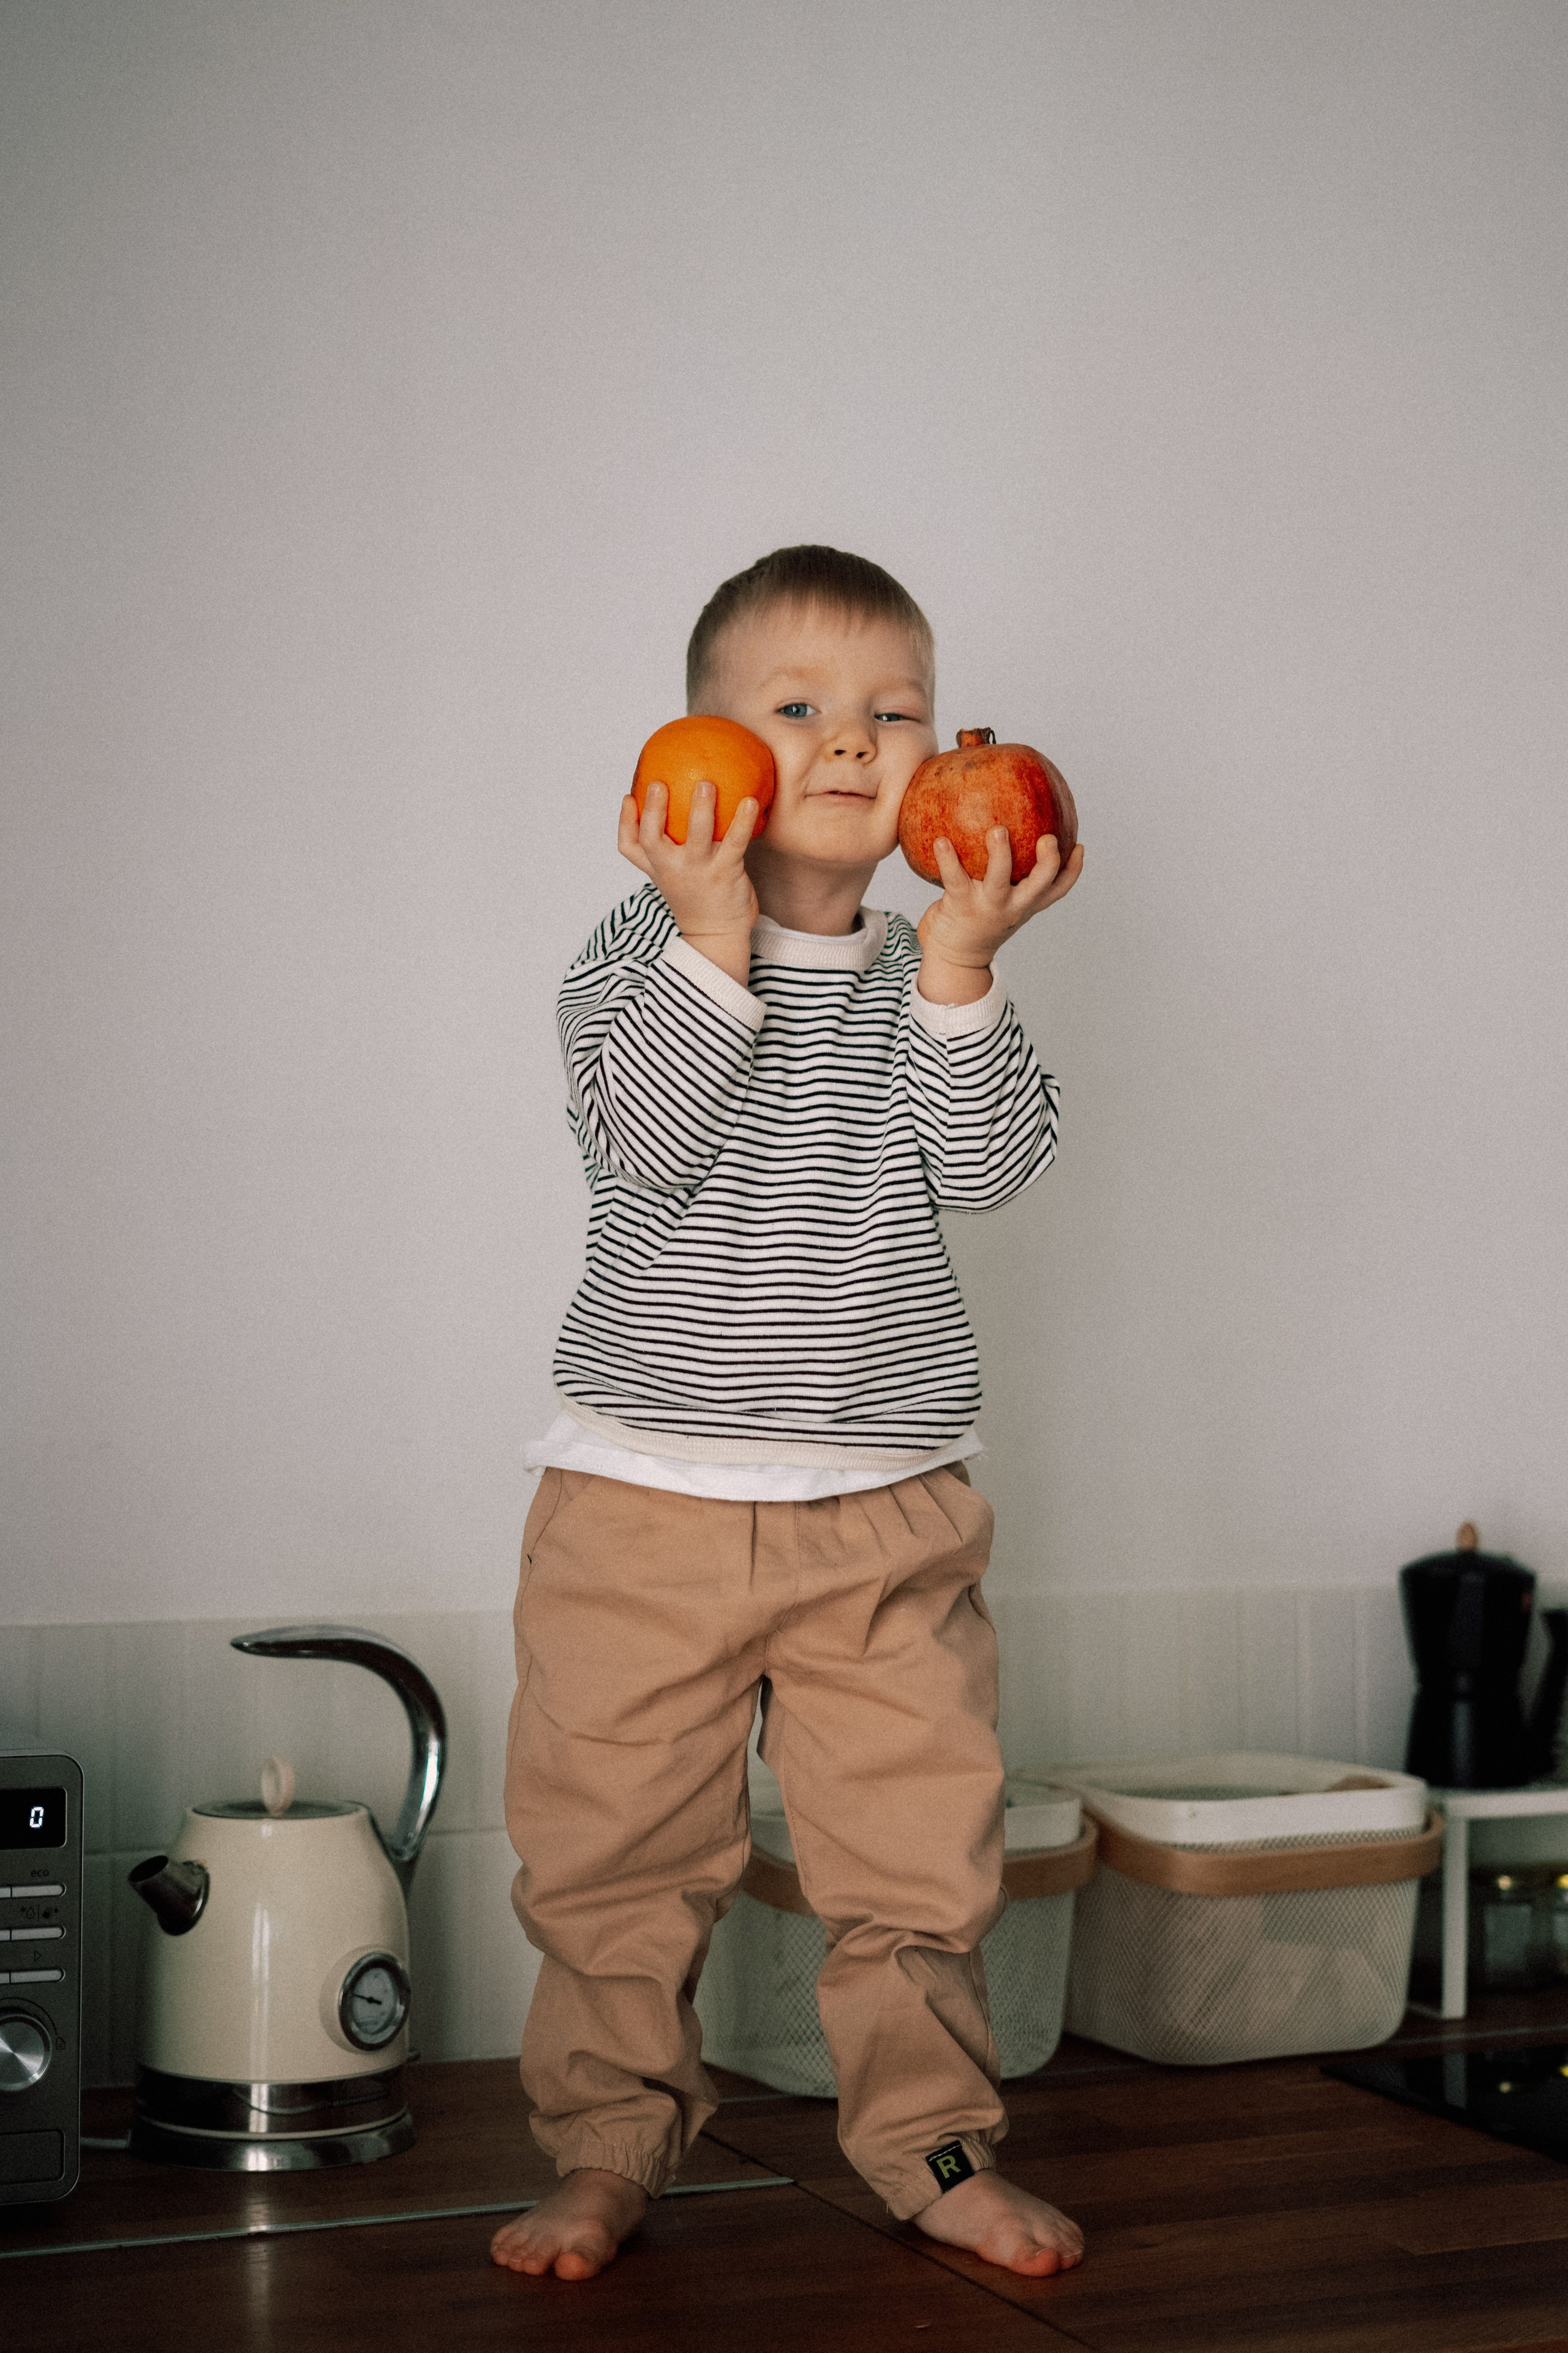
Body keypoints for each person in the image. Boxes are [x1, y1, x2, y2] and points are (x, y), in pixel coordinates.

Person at [491, 544, 1085, 2284]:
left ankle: (937, 2143)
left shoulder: (920, 972)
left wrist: (970, 954)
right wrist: (703, 930)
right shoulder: (638, 950)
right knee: (615, 1859)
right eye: (801, 709)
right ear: (702, 748)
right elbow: (648, 1144)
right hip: (643, 1499)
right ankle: (605, 2151)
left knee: (918, 1860)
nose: (854, 743)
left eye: (895, 714)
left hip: (888, 1501)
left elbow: (989, 1166)